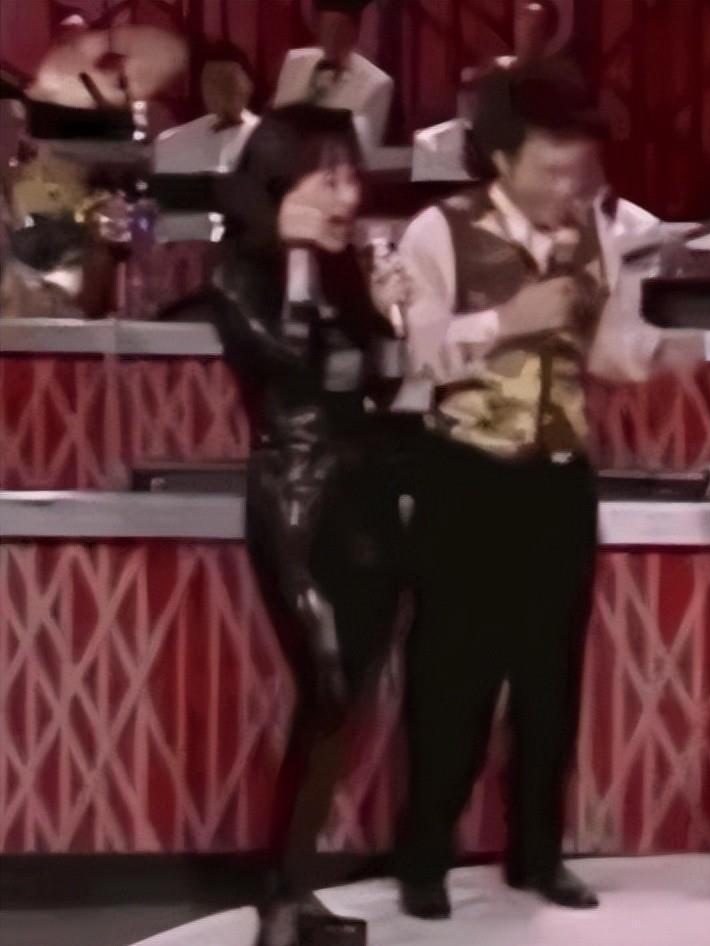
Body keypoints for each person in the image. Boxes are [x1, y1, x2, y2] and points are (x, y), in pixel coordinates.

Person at [379, 56, 702, 920]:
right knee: (452, 674)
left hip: (558, 481)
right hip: (465, 476)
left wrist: (655, 355)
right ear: (502, 157)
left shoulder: (594, 235)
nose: (569, 188)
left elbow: (605, 351)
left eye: (578, 171)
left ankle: (538, 855)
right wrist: (504, 322)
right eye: (552, 170)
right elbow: (416, 354)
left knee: (550, 678)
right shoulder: (438, 232)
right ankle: (425, 857)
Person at [201, 104, 407, 946]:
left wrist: (389, 318)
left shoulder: (346, 271)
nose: (347, 196)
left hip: (367, 499)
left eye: (353, 177)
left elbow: (384, 380)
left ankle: (291, 889)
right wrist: (298, 265)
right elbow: (293, 361)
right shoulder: (235, 274)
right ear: (278, 182)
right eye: (329, 178)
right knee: (325, 689)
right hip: (296, 500)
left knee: (348, 698)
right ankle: (280, 901)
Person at [272, 0, 392, 148]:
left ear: (353, 33)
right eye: (327, 27)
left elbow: (364, 151)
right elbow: (275, 127)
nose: (332, 37)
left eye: (339, 29)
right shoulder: (295, 63)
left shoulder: (376, 84)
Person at [154, 40, 259, 174]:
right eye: (211, 81)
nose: (219, 90)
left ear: (249, 85)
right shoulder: (170, 142)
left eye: (228, 80)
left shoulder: (270, 142)